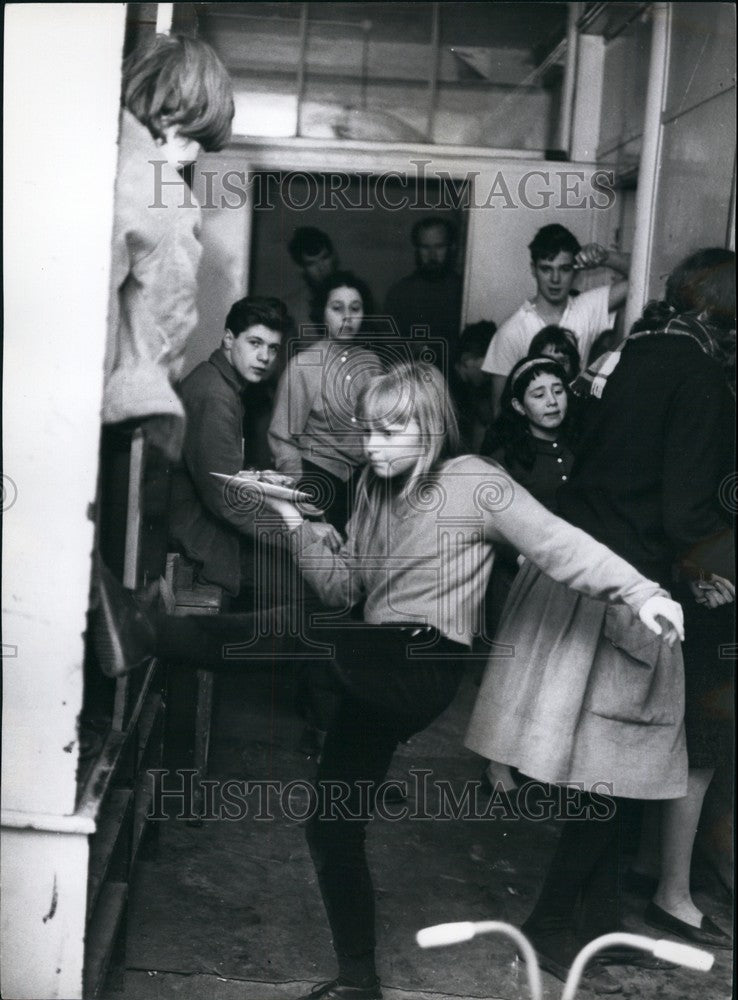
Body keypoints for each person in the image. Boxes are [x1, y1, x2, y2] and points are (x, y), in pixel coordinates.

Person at [467, 247, 735, 987]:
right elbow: (686, 511)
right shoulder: (701, 375)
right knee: (615, 771)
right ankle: (551, 921)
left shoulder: (634, 352)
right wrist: (719, 562)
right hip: (633, 590)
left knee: (614, 769)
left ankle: (595, 923)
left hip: (588, 573)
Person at [102, 33, 234, 461]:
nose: (194, 157)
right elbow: (168, 319)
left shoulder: (92, 144)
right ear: (175, 114)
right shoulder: (169, 196)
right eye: (196, 139)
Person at [478, 356, 578, 793]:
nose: (552, 401)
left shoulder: (578, 448)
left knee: (556, 670)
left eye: (558, 390)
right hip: (517, 576)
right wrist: (520, 557)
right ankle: (496, 764)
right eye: (538, 394)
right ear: (519, 406)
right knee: (512, 669)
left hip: (568, 574)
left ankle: (537, 761)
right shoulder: (506, 458)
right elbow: (489, 518)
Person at [168, 297, 291, 600]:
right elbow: (228, 499)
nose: (264, 357)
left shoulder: (220, 383)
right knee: (300, 582)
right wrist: (298, 531)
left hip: (207, 534)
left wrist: (259, 479)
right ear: (228, 339)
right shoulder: (215, 395)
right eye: (255, 343)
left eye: (273, 348)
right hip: (200, 546)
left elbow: (222, 473)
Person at [268, 271, 384, 531]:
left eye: (355, 308)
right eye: (337, 308)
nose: (347, 317)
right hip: (316, 480)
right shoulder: (303, 366)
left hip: (363, 484)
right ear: (322, 313)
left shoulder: (373, 364)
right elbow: (282, 439)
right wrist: (301, 496)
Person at [482, 224, 629, 417]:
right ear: (533, 269)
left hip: (575, 423)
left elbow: (644, 274)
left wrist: (605, 257)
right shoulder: (512, 331)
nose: (555, 279)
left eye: (564, 269)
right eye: (546, 269)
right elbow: (499, 411)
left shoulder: (586, 308)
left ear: (575, 271)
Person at [384, 216, 462, 363]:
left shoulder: (463, 292)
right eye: (425, 247)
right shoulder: (400, 293)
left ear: (451, 248)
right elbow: (388, 347)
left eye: (439, 247)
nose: (432, 255)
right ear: (417, 250)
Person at [280, 227, 339, 359]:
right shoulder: (291, 309)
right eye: (312, 263)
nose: (322, 268)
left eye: (325, 258)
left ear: (334, 256)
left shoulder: (357, 298)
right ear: (301, 269)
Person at [448, 320, 496, 452]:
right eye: (488, 363)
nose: (491, 371)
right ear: (466, 360)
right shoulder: (449, 390)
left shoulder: (471, 388)